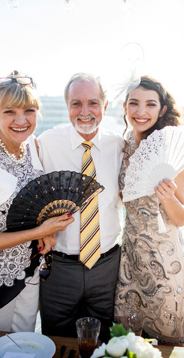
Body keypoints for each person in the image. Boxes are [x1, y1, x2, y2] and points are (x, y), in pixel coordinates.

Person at [0, 72, 73, 330]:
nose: (21, 120)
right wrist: (39, 231)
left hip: (29, 272)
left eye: (29, 110)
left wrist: (45, 231)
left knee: (24, 345)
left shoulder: (30, 145)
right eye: (9, 111)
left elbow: (35, 198)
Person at [37, 73, 125, 339]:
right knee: (56, 342)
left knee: (104, 345)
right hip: (58, 270)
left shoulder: (120, 146)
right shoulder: (46, 143)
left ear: (105, 106)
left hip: (107, 267)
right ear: (67, 106)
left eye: (93, 103)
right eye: (76, 103)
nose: (85, 112)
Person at [113, 76, 184, 345]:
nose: (141, 111)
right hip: (130, 261)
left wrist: (167, 198)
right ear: (125, 108)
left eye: (150, 104)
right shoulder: (122, 149)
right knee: (125, 343)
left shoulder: (171, 153)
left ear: (162, 110)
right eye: (134, 103)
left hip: (166, 264)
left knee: (168, 346)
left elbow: (182, 218)